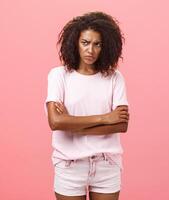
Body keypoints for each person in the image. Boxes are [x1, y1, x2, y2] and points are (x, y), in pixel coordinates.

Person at [45, 11, 129, 200]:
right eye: (85, 43)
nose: (90, 50)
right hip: (69, 164)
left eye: (97, 44)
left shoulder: (115, 78)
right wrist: (105, 118)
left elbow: (121, 125)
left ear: (105, 46)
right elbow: (56, 122)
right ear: (75, 42)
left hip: (106, 164)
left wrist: (72, 124)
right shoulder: (59, 76)